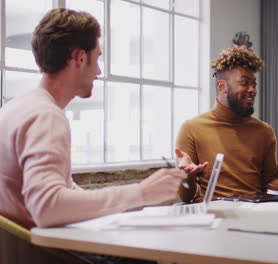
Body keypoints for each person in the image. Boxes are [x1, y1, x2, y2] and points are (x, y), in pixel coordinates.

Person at [0, 8, 186, 230]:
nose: (98, 71)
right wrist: (141, 193)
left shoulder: (15, 108)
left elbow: (60, 190)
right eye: (97, 58)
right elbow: (47, 207)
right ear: (80, 57)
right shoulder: (46, 116)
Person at [175, 45, 278, 203]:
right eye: (244, 83)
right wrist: (186, 175)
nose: (252, 90)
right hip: (213, 215)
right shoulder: (191, 128)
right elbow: (185, 198)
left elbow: (269, 185)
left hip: (256, 212)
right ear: (222, 86)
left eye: (254, 84)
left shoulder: (264, 131)